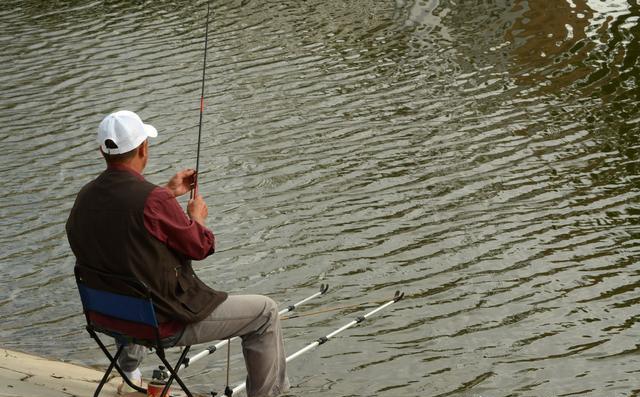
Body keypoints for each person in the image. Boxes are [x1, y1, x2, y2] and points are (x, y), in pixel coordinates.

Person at [66, 110, 289, 397]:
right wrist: (197, 218)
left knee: (123, 274)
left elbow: (121, 224)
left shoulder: (85, 197)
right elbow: (201, 246)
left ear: (102, 150)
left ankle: (129, 370)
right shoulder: (152, 200)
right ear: (144, 147)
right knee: (265, 312)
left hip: (106, 318)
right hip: (161, 324)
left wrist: (168, 193)